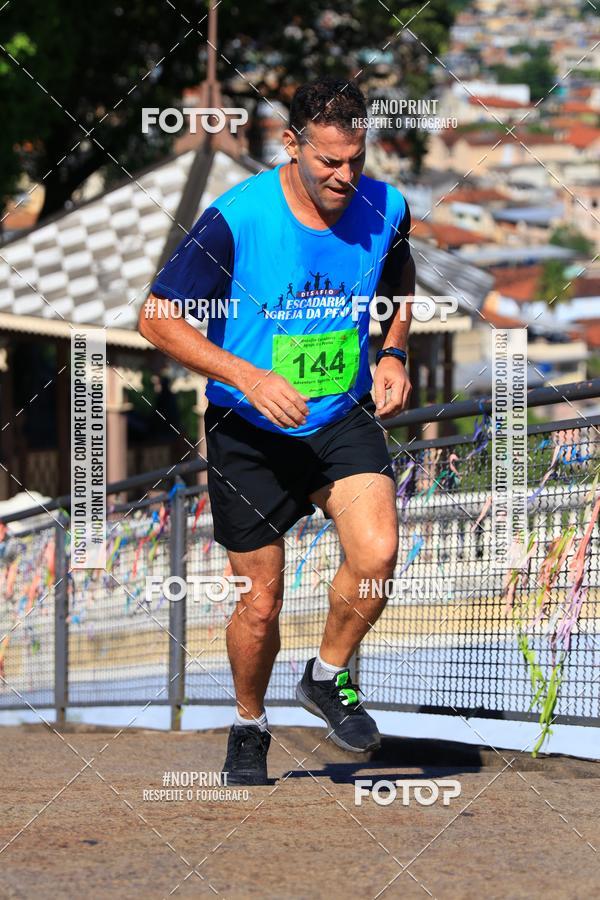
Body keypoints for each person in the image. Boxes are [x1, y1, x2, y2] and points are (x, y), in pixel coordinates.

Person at [138, 76, 415, 785]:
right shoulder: (236, 218)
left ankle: (325, 675)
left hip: (338, 419)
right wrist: (253, 376)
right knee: (259, 603)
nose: (344, 176)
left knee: (378, 553)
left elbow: (399, 284)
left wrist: (392, 351)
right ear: (291, 145)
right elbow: (156, 318)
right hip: (249, 430)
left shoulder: (386, 207)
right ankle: (249, 723)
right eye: (327, 161)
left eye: (354, 159)